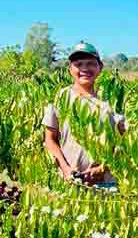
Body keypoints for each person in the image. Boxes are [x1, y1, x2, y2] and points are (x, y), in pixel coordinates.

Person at [43, 41, 125, 187]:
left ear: (100, 67)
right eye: (78, 64)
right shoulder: (62, 97)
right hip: (70, 181)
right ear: (70, 69)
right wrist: (65, 169)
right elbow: (50, 139)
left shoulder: (111, 100)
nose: (85, 69)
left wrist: (103, 168)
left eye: (90, 63)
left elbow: (125, 142)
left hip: (105, 183)